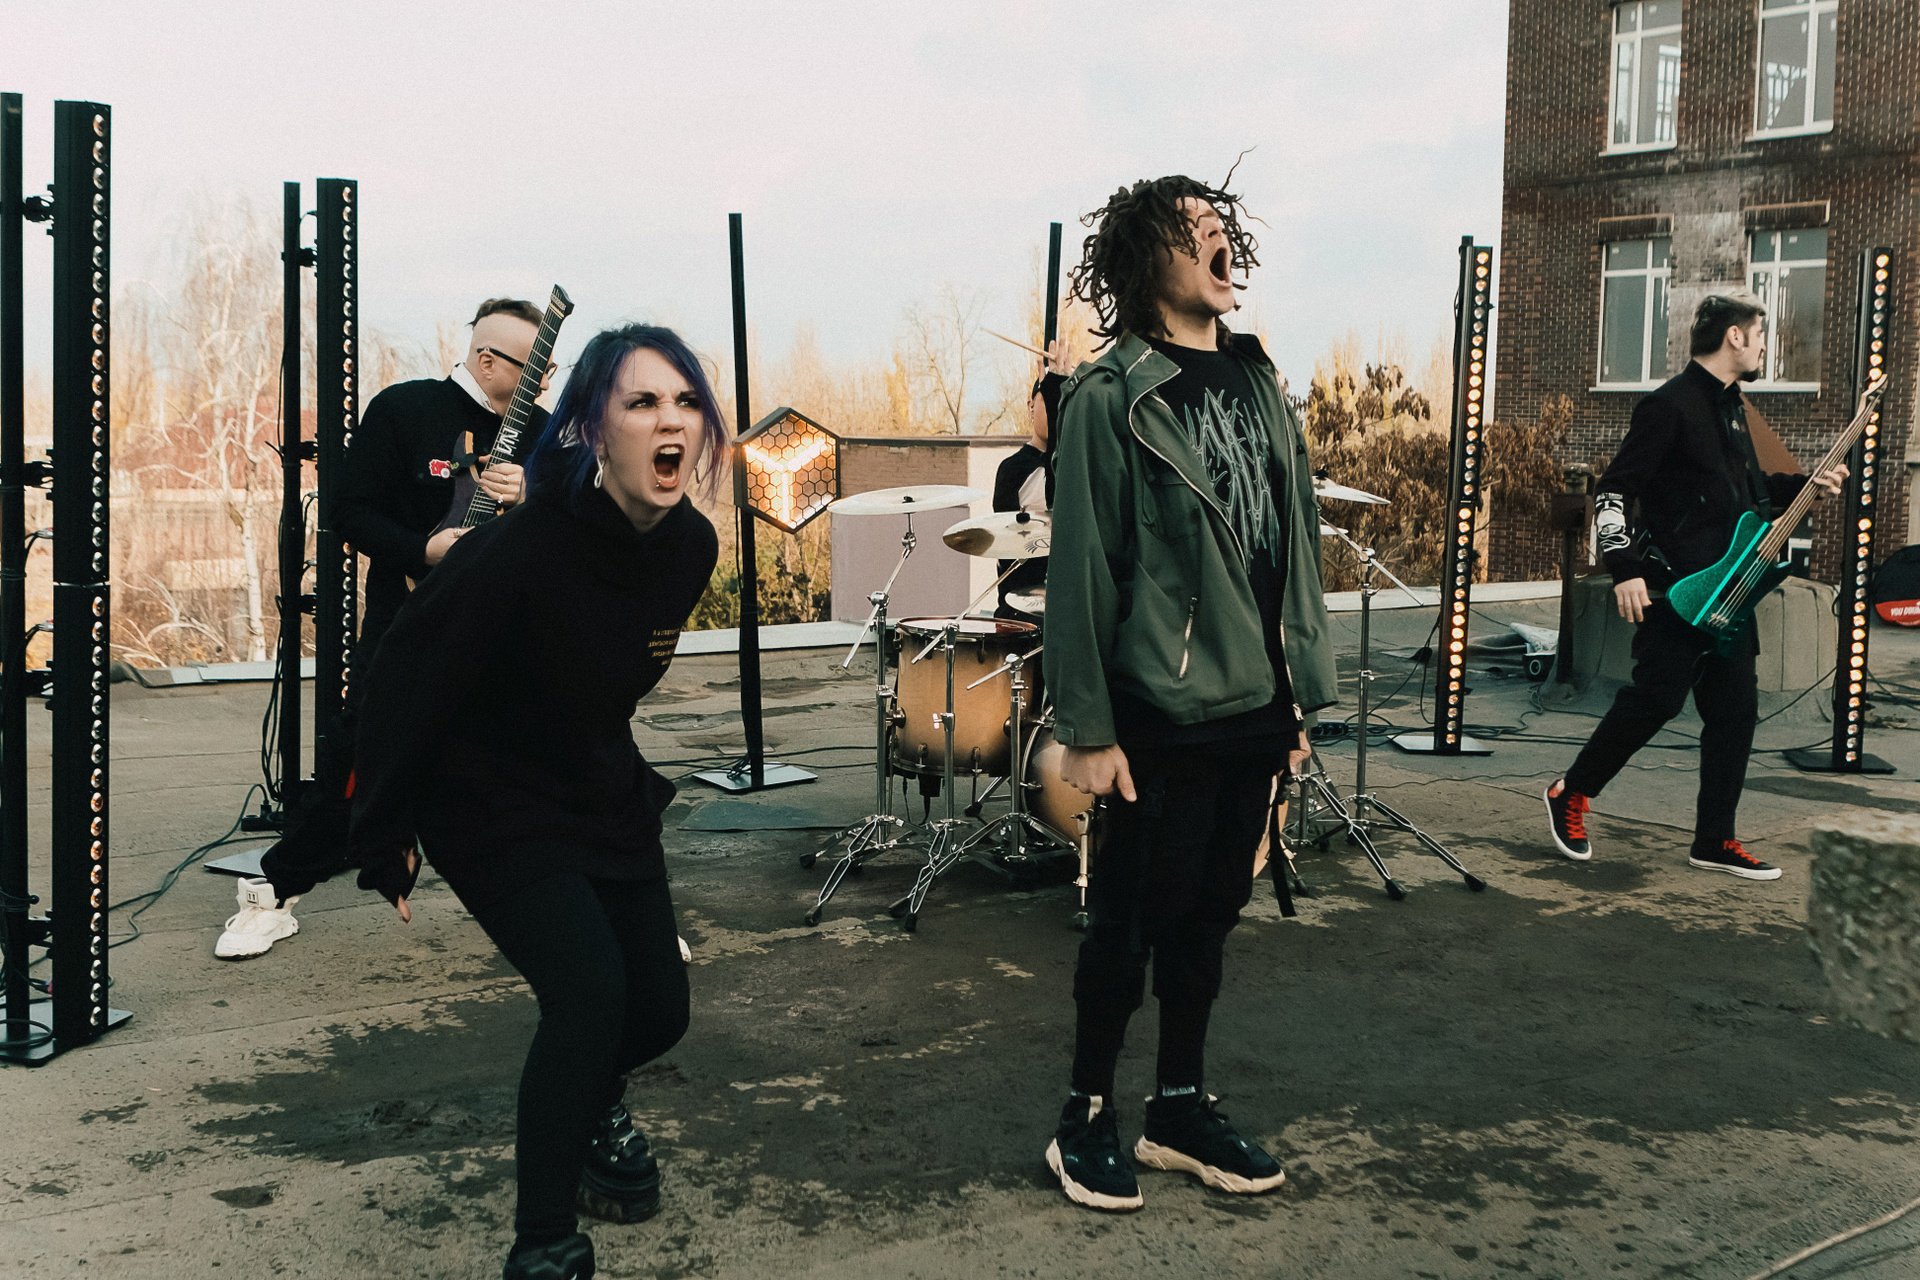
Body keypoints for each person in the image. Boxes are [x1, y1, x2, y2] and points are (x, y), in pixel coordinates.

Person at [349, 323, 724, 1280]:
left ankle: (589, 1101)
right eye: (642, 402)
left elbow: (603, 681)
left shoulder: (691, 546)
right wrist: (384, 826)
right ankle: (545, 1242)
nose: (670, 421)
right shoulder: (521, 548)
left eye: (685, 401)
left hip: (595, 783)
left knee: (660, 1011)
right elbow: (406, 671)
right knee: (588, 996)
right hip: (485, 790)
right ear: (593, 428)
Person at [1041, 175, 1337, 1212]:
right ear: (1146, 261)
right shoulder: (1111, 396)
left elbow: (1290, 549)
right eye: (1193, 229)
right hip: (1157, 710)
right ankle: (1084, 1113)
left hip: (1253, 706)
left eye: (1222, 228)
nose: (1218, 240)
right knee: (1128, 919)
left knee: (1209, 917)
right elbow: (1083, 567)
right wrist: (1087, 727)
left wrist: (1296, 699)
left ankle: (1175, 1106)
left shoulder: (1258, 381)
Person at [216, 298, 549, 960]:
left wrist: (530, 496)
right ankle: (274, 892)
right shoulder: (405, 410)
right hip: (409, 625)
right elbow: (350, 510)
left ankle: (615, 909)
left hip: (508, 632)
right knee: (362, 762)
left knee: (550, 763)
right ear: (487, 361)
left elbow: (572, 523)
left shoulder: (541, 431)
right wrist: (424, 550)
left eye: (549, 368)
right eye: (532, 367)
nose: (542, 381)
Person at [1545, 295, 1847, 880]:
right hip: (1678, 589)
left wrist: (1809, 483)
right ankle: (1571, 792)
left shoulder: (1733, 410)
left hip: (1731, 592)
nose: (1764, 347)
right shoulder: (1669, 406)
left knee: (1735, 715)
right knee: (1655, 700)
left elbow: (1746, 495)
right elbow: (1613, 491)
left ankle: (1714, 840)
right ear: (1735, 336)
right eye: (1760, 335)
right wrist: (1624, 567)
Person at [992, 340, 1072, 619]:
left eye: (1063, 402)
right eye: (1048, 399)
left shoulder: (1075, 465)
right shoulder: (1012, 469)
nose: (1056, 408)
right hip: (1021, 610)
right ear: (1030, 407)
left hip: (1067, 606)